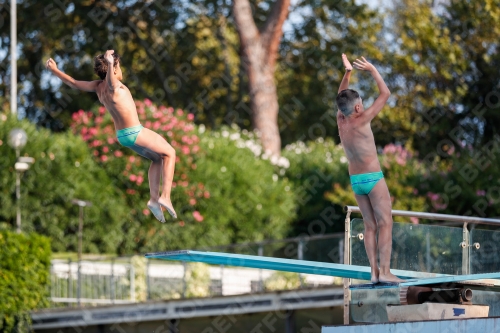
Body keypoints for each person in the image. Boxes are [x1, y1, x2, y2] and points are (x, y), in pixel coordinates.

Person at [46, 50, 177, 223]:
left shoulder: (97, 87)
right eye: (119, 66)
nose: (121, 69)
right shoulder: (113, 86)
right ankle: (165, 196)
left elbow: (74, 83)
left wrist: (55, 70)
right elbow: (111, 82)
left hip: (123, 136)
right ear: (113, 70)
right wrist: (109, 62)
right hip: (135, 132)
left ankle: (154, 200)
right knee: (170, 152)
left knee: (157, 159)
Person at [336, 53, 402, 283]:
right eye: (360, 103)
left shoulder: (341, 120)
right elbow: (385, 94)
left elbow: (340, 97)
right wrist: (372, 69)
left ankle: (373, 273)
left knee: (370, 225)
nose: (363, 105)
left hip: (356, 181)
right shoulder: (362, 118)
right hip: (373, 178)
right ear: (356, 108)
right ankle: (385, 272)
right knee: (385, 223)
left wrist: (348, 73)